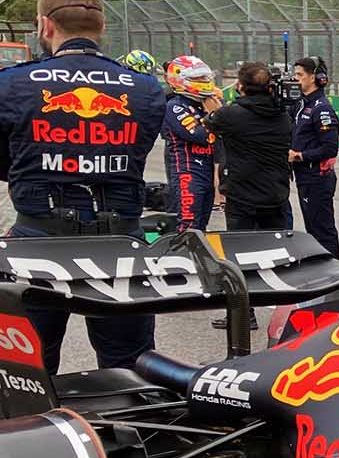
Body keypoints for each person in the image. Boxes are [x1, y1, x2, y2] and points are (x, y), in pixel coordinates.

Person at [0, 0, 165, 372]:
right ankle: (130, 429)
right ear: (102, 27)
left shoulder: (12, 82)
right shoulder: (144, 87)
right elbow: (137, 151)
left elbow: (7, 162)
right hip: (121, 242)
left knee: (27, 374)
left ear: (45, 26)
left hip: (37, 240)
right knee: (131, 369)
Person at [207, 62, 292, 231]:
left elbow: (210, 122)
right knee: (275, 246)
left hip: (241, 196)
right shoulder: (282, 115)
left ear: (240, 86)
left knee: (241, 247)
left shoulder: (230, 115)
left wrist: (214, 109)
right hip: (274, 193)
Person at [161, 55, 219, 233]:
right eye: (198, 79)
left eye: (204, 78)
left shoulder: (204, 105)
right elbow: (202, 136)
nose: (204, 82)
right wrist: (216, 115)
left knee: (201, 226)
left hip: (206, 172)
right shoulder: (175, 106)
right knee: (188, 226)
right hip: (187, 173)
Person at [288, 56, 339, 257]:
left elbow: (330, 148)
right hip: (305, 178)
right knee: (313, 228)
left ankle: (333, 270)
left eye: (300, 75)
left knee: (322, 230)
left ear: (315, 77)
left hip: (317, 178)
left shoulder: (322, 108)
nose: (295, 79)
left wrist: (299, 156)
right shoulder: (301, 105)